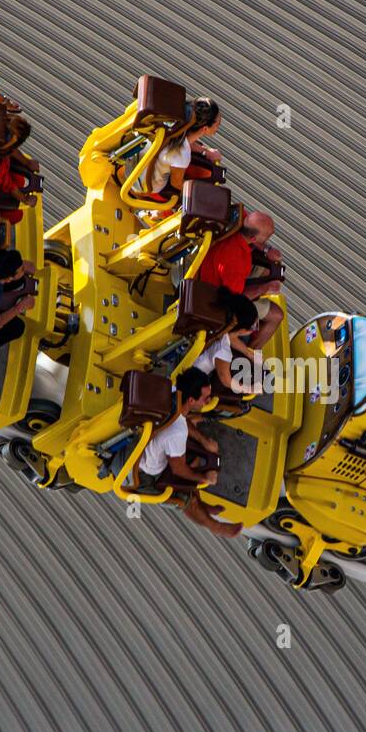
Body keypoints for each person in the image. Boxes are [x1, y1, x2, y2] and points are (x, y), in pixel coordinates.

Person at [134, 368, 241, 539]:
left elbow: (182, 419)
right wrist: (205, 480)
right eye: (205, 398)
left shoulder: (173, 394)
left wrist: (204, 440)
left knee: (196, 457)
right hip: (145, 475)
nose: (209, 401)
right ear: (191, 400)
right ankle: (214, 526)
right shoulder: (177, 433)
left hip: (149, 449)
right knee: (186, 497)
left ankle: (203, 506)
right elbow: (179, 470)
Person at [198, 210, 283, 348]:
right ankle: (249, 352)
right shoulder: (235, 263)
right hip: (218, 297)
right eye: (268, 236)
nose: (270, 237)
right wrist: (265, 288)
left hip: (214, 267)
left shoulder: (239, 219)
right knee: (277, 315)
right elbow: (237, 300)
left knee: (267, 271)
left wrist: (267, 250)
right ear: (254, 239)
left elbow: (252, 235)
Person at [133, 98, 221, 200]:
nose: (217, 129)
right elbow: (177, 184)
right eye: (217, 125)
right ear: (205, 129)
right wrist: (203, 193)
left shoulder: (171, 126)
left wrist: (205, 151)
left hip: (135, 167)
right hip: (144, 185)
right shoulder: (181, 154)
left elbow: (188, 143)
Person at [191, 289, 260, 394]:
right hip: (188, 380)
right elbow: (227, 381)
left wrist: (249, 353)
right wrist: (251, 389)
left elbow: (230, 337)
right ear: (243, 330)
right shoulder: (223, 351)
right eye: (254, 326)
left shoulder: (220, 325)